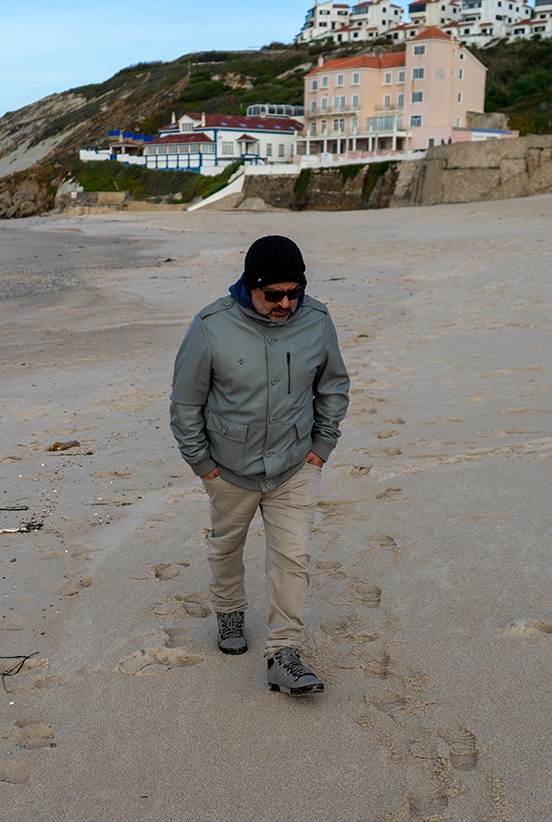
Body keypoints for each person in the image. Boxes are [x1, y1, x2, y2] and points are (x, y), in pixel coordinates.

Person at [169, 235, 350, 696]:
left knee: (294, 555)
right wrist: (202, 462)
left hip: (295, 465)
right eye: (273, 294)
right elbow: (185, 403)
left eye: (295, 293)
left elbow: (333, 386)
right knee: (226, 545)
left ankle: (284, 654)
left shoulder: (317, 319)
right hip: (227, 468)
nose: (285, 304)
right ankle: (230, 612)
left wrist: (322, 445)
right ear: (249, 286)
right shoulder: (210, 326)